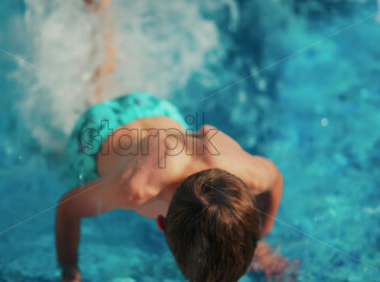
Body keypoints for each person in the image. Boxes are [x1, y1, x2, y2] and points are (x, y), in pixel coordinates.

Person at [56, 1, 292, 281]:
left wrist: (260, 238)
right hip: (99, 133)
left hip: (156, 110)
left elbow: (275, 178)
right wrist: (69, 269)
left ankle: (101, 13)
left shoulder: (248, 175)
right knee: (53, 150)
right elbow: (68, 209)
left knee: (106, 72)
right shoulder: (136, 189)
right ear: (161, 224)